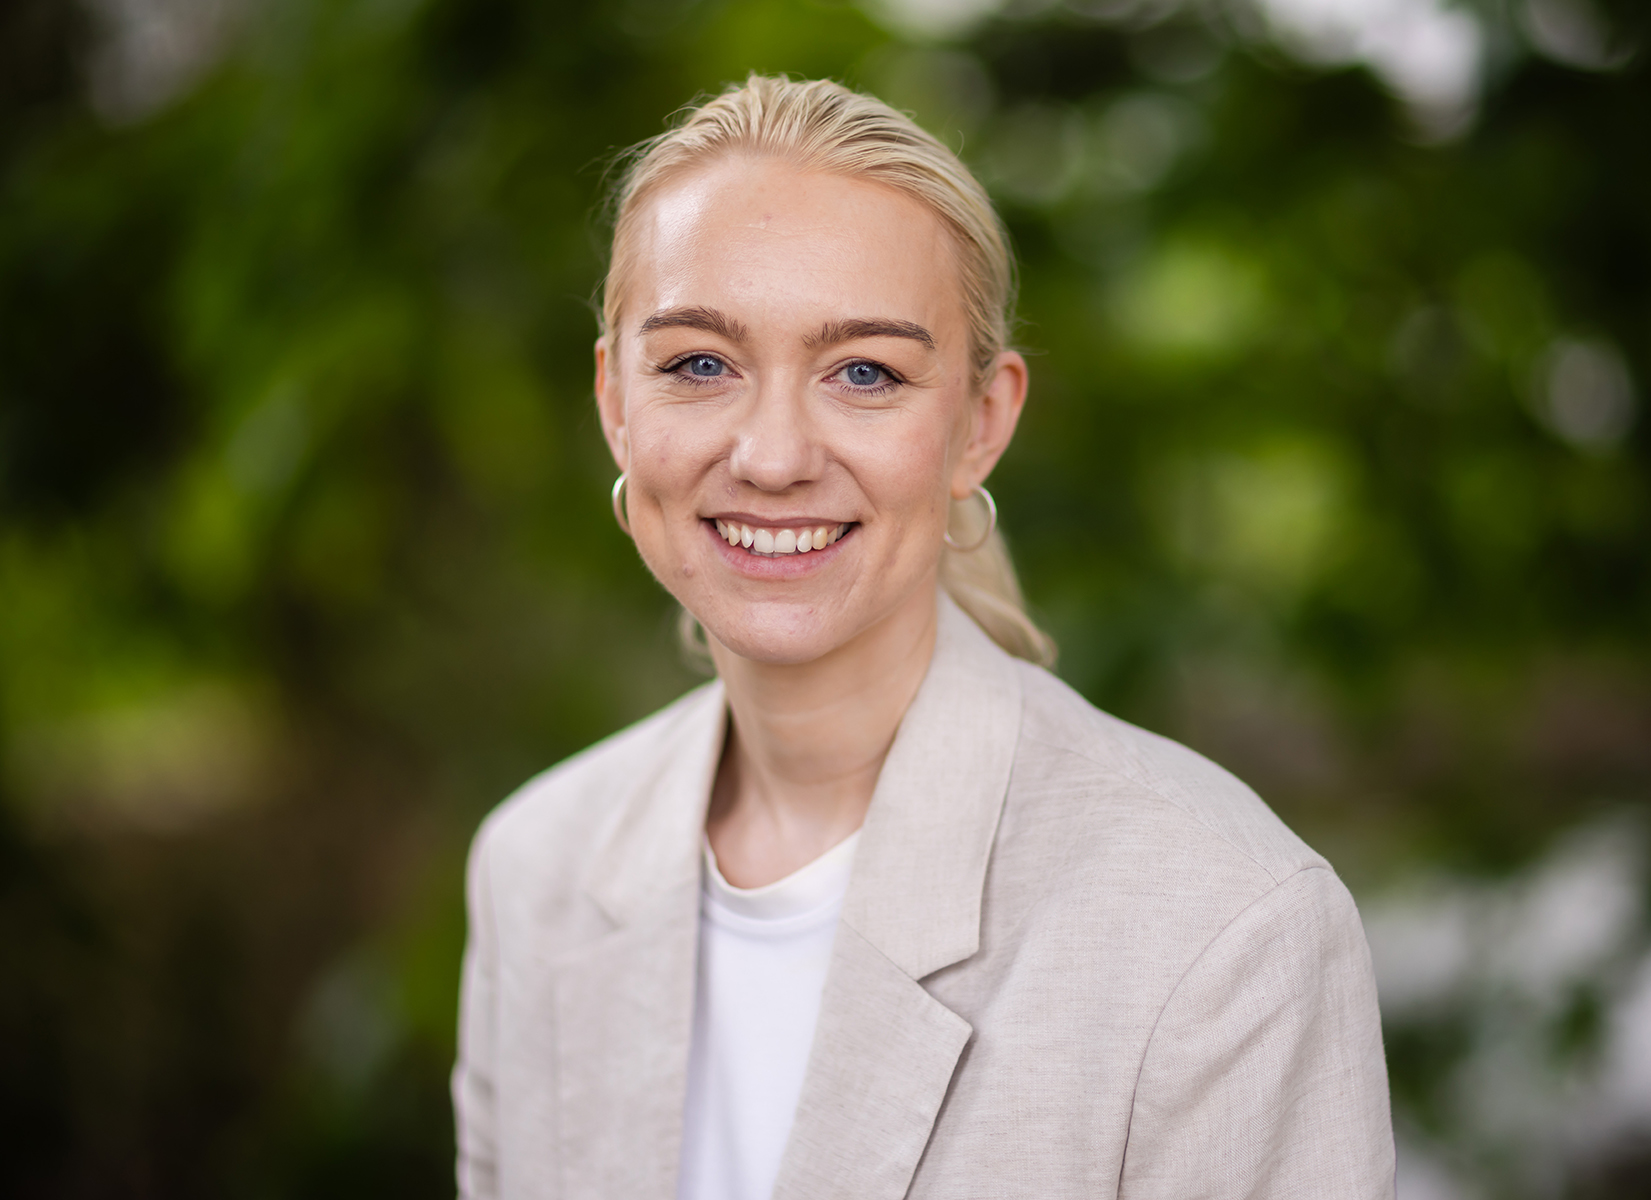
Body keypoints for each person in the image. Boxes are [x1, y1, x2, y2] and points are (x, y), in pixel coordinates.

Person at [451, 74, 1394, 1200]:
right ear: (616, 400)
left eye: (865, 373)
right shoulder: (533, 869)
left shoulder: (1225, 934)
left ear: (979, 424)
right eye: (699, 363)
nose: (771, 455)